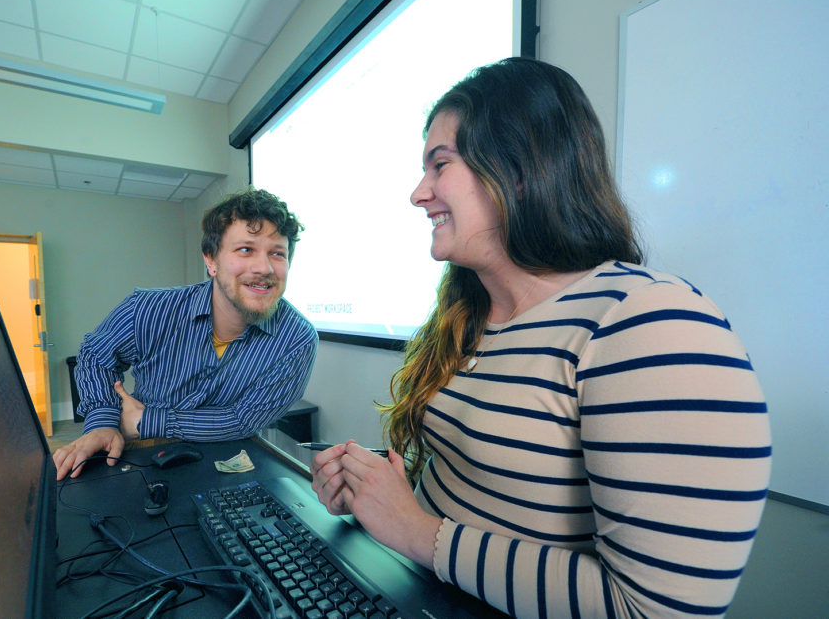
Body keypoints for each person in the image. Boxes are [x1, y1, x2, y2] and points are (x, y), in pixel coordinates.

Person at [310, 58, 771, 617]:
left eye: (439, 164)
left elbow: (654, 610)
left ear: (519, 167)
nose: (418, 193)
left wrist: (414, 531)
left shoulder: (652, 323)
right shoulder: (468, 317)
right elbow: (487, 488)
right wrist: (371, 487)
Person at [53, 188, 318, 480]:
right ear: (211, 260)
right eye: (246, 249)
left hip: (231, 461)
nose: (264, 267)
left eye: (277, 254)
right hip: (142, 455)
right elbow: (94, 355)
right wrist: (103, 421)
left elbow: (244, 420)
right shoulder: (148, 309)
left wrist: (144, 420)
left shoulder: (297, 340)